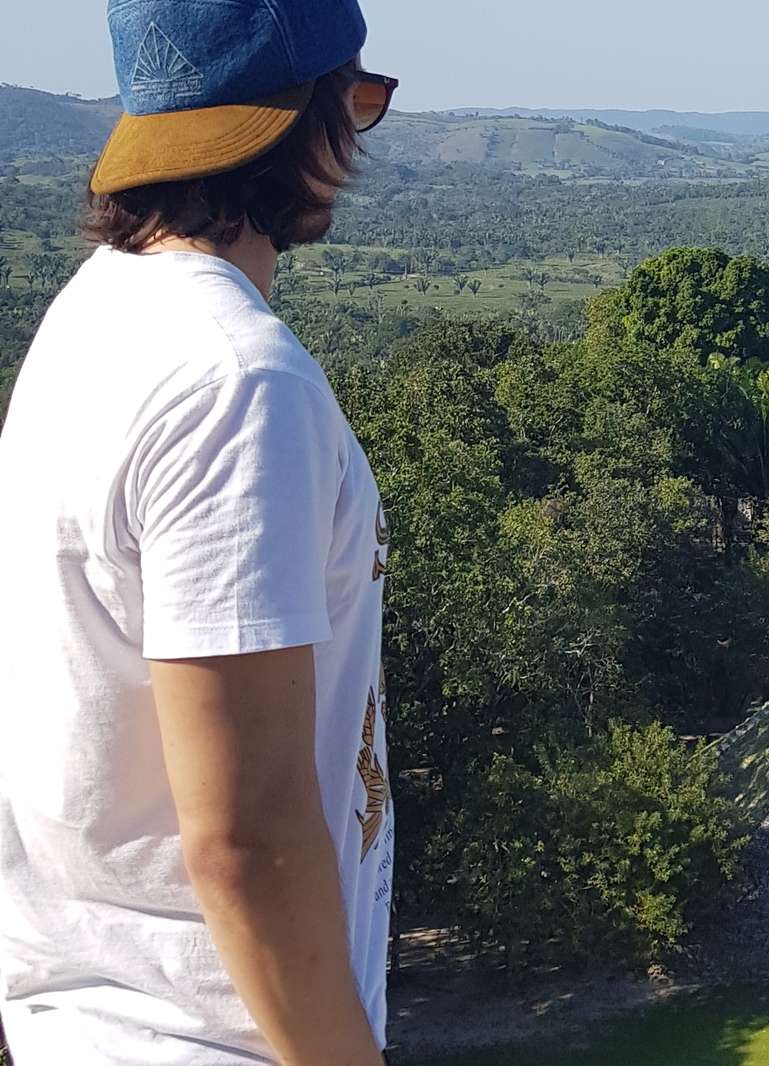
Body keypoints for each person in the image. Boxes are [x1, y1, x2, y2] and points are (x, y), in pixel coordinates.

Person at [0, 2, 399, 1062]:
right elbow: (249, 836)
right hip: (209, 1030)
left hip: (78, 1015)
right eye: (358, 102)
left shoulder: (92, 316)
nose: (357, 143)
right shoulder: (237, 381)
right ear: (304, 120)